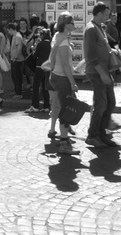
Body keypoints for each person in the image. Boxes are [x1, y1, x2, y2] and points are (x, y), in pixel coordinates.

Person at [83, 2, 118, 149]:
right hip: (97, 72)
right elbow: (90, 55)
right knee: (101, 104)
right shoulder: (91, 29)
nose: (108, 17)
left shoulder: (100, 28)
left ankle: (102, 134)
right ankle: (93, 135)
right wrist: (102, 73)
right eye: (106, 15)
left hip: (104, 71)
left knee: (111, 103)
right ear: (98, 14)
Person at [49, 13, 80, 155]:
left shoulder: (58, 37)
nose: (74, 24)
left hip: (56, 76)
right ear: (66, 24)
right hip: (62, 78)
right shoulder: (63, 40)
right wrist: (73, 82)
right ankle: (64, 144)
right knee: (66, 110)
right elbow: (65, 64)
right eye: (72, 22)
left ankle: (65, 140)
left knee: (65, 108)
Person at [26, 27, 51, 113]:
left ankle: (35, 106)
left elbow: (34, 56)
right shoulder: (51, 44)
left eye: (41, 34)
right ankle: (46, 106)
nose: (39, 36)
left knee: (36, 87)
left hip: (39, 67)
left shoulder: (41, 44)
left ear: (43, 35)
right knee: (45, 87)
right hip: (47, 68)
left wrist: (33, 49)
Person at [6, 22, 24, 98]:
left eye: (8, 30)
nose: (8, 32)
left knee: (17, 77)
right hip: (14, 59)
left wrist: (15, 57)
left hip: (17, 60)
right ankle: (17, 91)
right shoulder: (15, 36)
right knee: (14, 76)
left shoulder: (17, 36)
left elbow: (19, 48)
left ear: (11, 29)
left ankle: (19, 93)